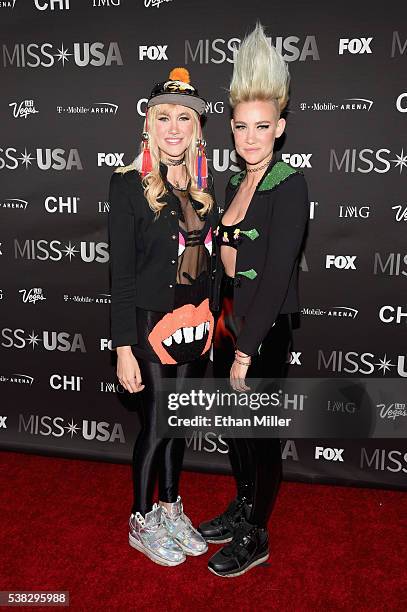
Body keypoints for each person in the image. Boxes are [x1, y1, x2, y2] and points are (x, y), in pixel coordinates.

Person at [198, 24, 309, 577]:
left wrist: (246, 350)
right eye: (242, 126)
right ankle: (243, 508)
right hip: (226, 323)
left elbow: (277, 273)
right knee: (233, 426)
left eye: (261, 127)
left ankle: (258, 535)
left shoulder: (289, 185)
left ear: (280, 127)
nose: (250, 136)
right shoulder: (232, 184)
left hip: (262, 330)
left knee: (260, 434)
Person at [108, 67, 218, 566]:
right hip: (151, 323)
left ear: (197, 130)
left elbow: (209, 269)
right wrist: (123, 347)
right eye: (163, 117)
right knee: (156, 423)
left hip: (194, 323)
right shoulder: (128, 186)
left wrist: (213, 325)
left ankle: (171, 506)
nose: (174, 127)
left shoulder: (201, 193)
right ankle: (140, 517)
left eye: (184, 119)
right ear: (148, 126)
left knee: (180, 419)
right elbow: (123, 276)